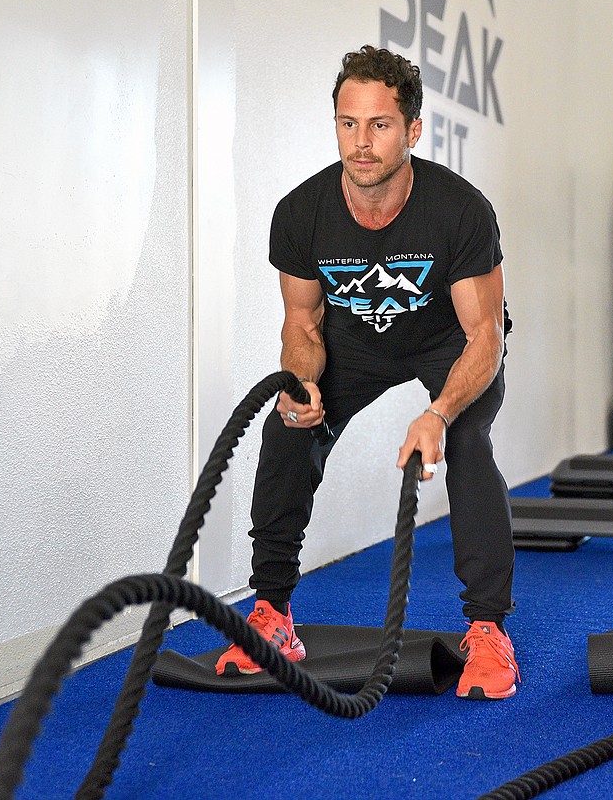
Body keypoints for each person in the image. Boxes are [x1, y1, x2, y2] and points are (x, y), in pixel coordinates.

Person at [216, 45, 519, 700]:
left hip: (449, 340)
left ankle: (488, 629)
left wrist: (438, 412)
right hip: (352, 342)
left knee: (466, 439)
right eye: (348, 123)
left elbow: (485, 334)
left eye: (379, 124)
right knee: (287, 428)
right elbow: (302, 323)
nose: (361, 141)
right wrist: (300, 385)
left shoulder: (460, 210)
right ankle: (273, 613)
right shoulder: (301, 214)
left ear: (411, 130)